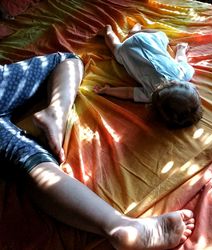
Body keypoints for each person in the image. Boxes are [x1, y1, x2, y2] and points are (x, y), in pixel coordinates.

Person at [0, 52, 195, 250]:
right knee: (28, 160)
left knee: (68, 60)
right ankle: (121, 227)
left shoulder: (163, 80)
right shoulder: (179, 73)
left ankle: (56, 115)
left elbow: (123, 60)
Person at [94, 24, 203, 128]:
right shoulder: (151, 94)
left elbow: (180, 59)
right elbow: (128, 93)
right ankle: (108, 32)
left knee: (163, 36)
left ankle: (134, 32)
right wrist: (107, 90)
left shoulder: (184, 73)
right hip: (128, 50)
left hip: (149, 39)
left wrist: (181, 49)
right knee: (116, 49)